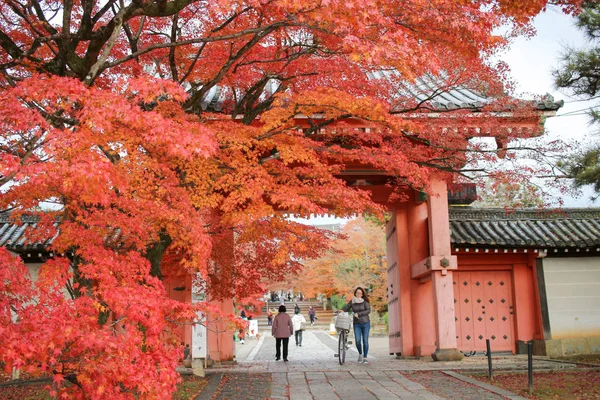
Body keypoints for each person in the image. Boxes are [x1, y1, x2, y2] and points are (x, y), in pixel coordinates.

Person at [342, 287, 371, 364]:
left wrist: (359, 314)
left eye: (360, 293)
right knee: (358, 341)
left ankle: (365, 357)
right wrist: (341, 310)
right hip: (357, 324)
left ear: (362, 294)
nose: (358, 294)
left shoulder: (365, 302)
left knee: (365, 340)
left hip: (365, 323)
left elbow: (368, 310)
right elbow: (346, 307)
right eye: (357, 293)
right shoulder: (352, 301)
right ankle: (360, 354)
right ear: (355, 293)